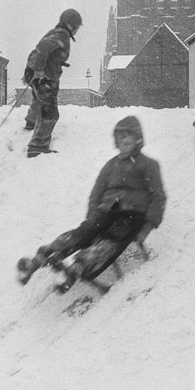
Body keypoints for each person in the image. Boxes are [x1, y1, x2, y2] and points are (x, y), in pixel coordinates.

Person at [17, 116, 166, 289]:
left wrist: (147, 227)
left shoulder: (148, 165)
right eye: (120, 137)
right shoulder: (111, 165)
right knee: (81, 232)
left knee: (111, 239)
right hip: (107, 211)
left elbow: (158, 196)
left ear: (137, 139)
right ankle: (43, 256)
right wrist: (93, 218)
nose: (123, 140)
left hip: (132, 214)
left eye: (128, 136)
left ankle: (78, 267)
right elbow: (97, 193)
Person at [23, 8, 82, 158]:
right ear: (71, 25)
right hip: (45, 77)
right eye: (77, 27)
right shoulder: (62, 35)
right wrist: (40, 70)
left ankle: (31, 122)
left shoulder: (55, 32)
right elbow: (43, 47)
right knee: (50, 113)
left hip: (36, 74)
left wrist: (34, 70)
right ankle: (38, 145)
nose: (76, 31)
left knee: (39, 99)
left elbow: (43, 49)